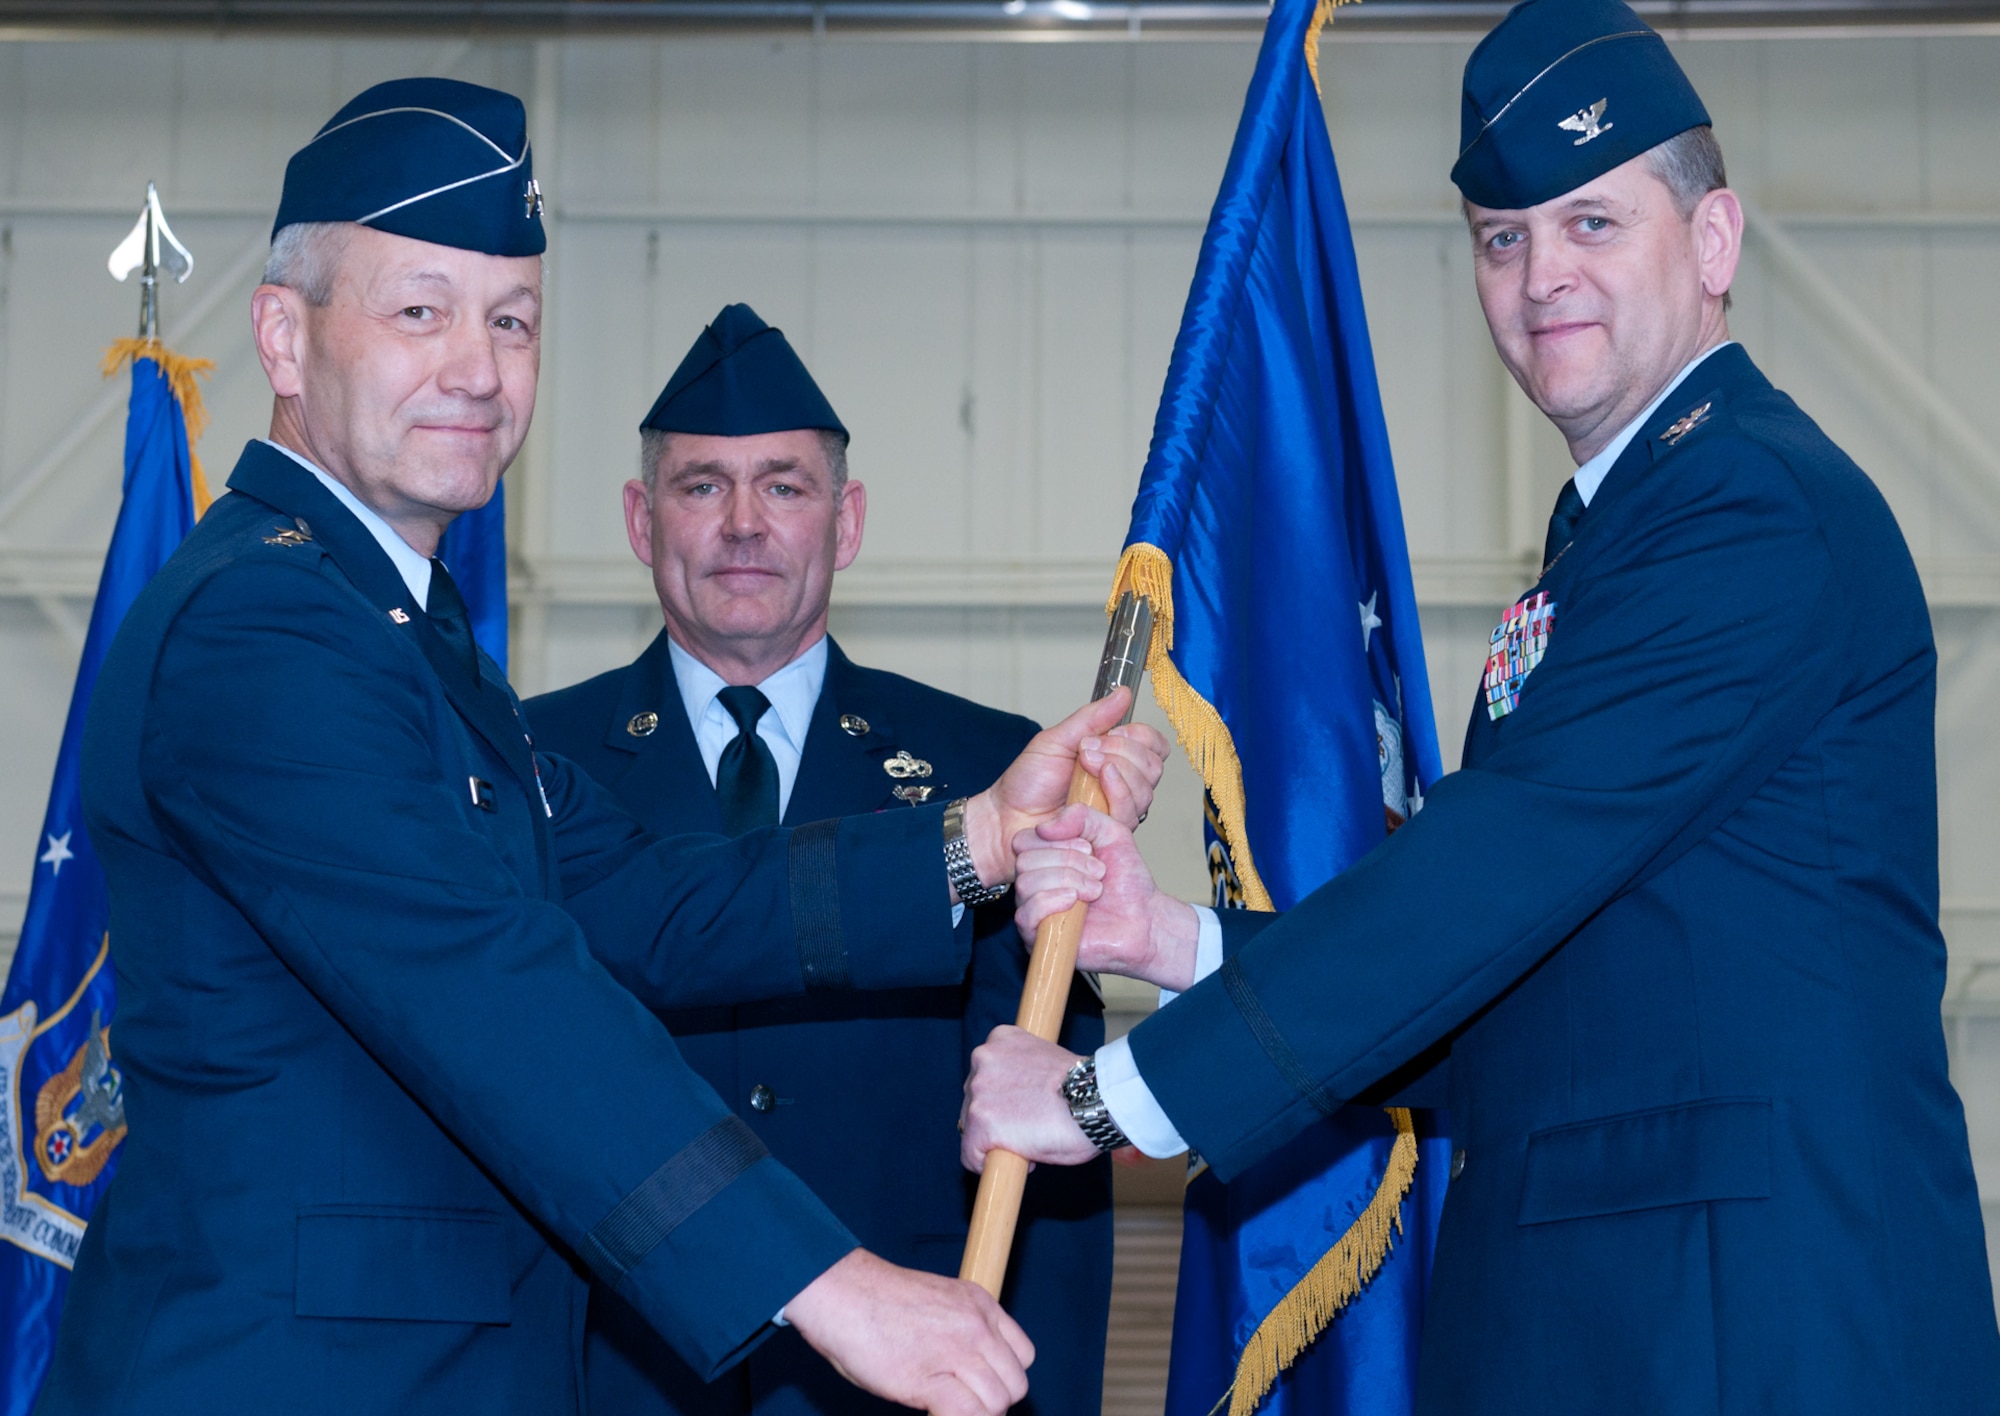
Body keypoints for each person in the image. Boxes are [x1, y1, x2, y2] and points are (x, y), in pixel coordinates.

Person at [39, 78, 1165, 1416]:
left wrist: (981, 834)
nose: (477, 367)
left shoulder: (394, 629)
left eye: (510, 320)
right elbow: (497, 992)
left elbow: (642, 894)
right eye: (420, 311)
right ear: (285, 339)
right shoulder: (267, 630)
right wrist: (829, 1283)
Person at [960, 2, 2000, 1411]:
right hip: (1620, 1320)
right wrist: (1181, 941)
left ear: (1713, 244)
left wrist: (1107, 1101)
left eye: (1591, 224)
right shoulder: (1624, 530)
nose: (1538, 275)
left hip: (1745, 1327)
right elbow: (1537, 976)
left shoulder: (1748, 511)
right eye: (1501, 239)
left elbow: (1485, 878)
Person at [525, 304, 1113, 1416]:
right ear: (639, 521)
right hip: (612, 1369)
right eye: (701, 486)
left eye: (783, 487)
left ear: (843, 523)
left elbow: (1049, 1139)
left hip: (908, 1378)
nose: (742, 524)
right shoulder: (526, 763)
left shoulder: (988, 770)